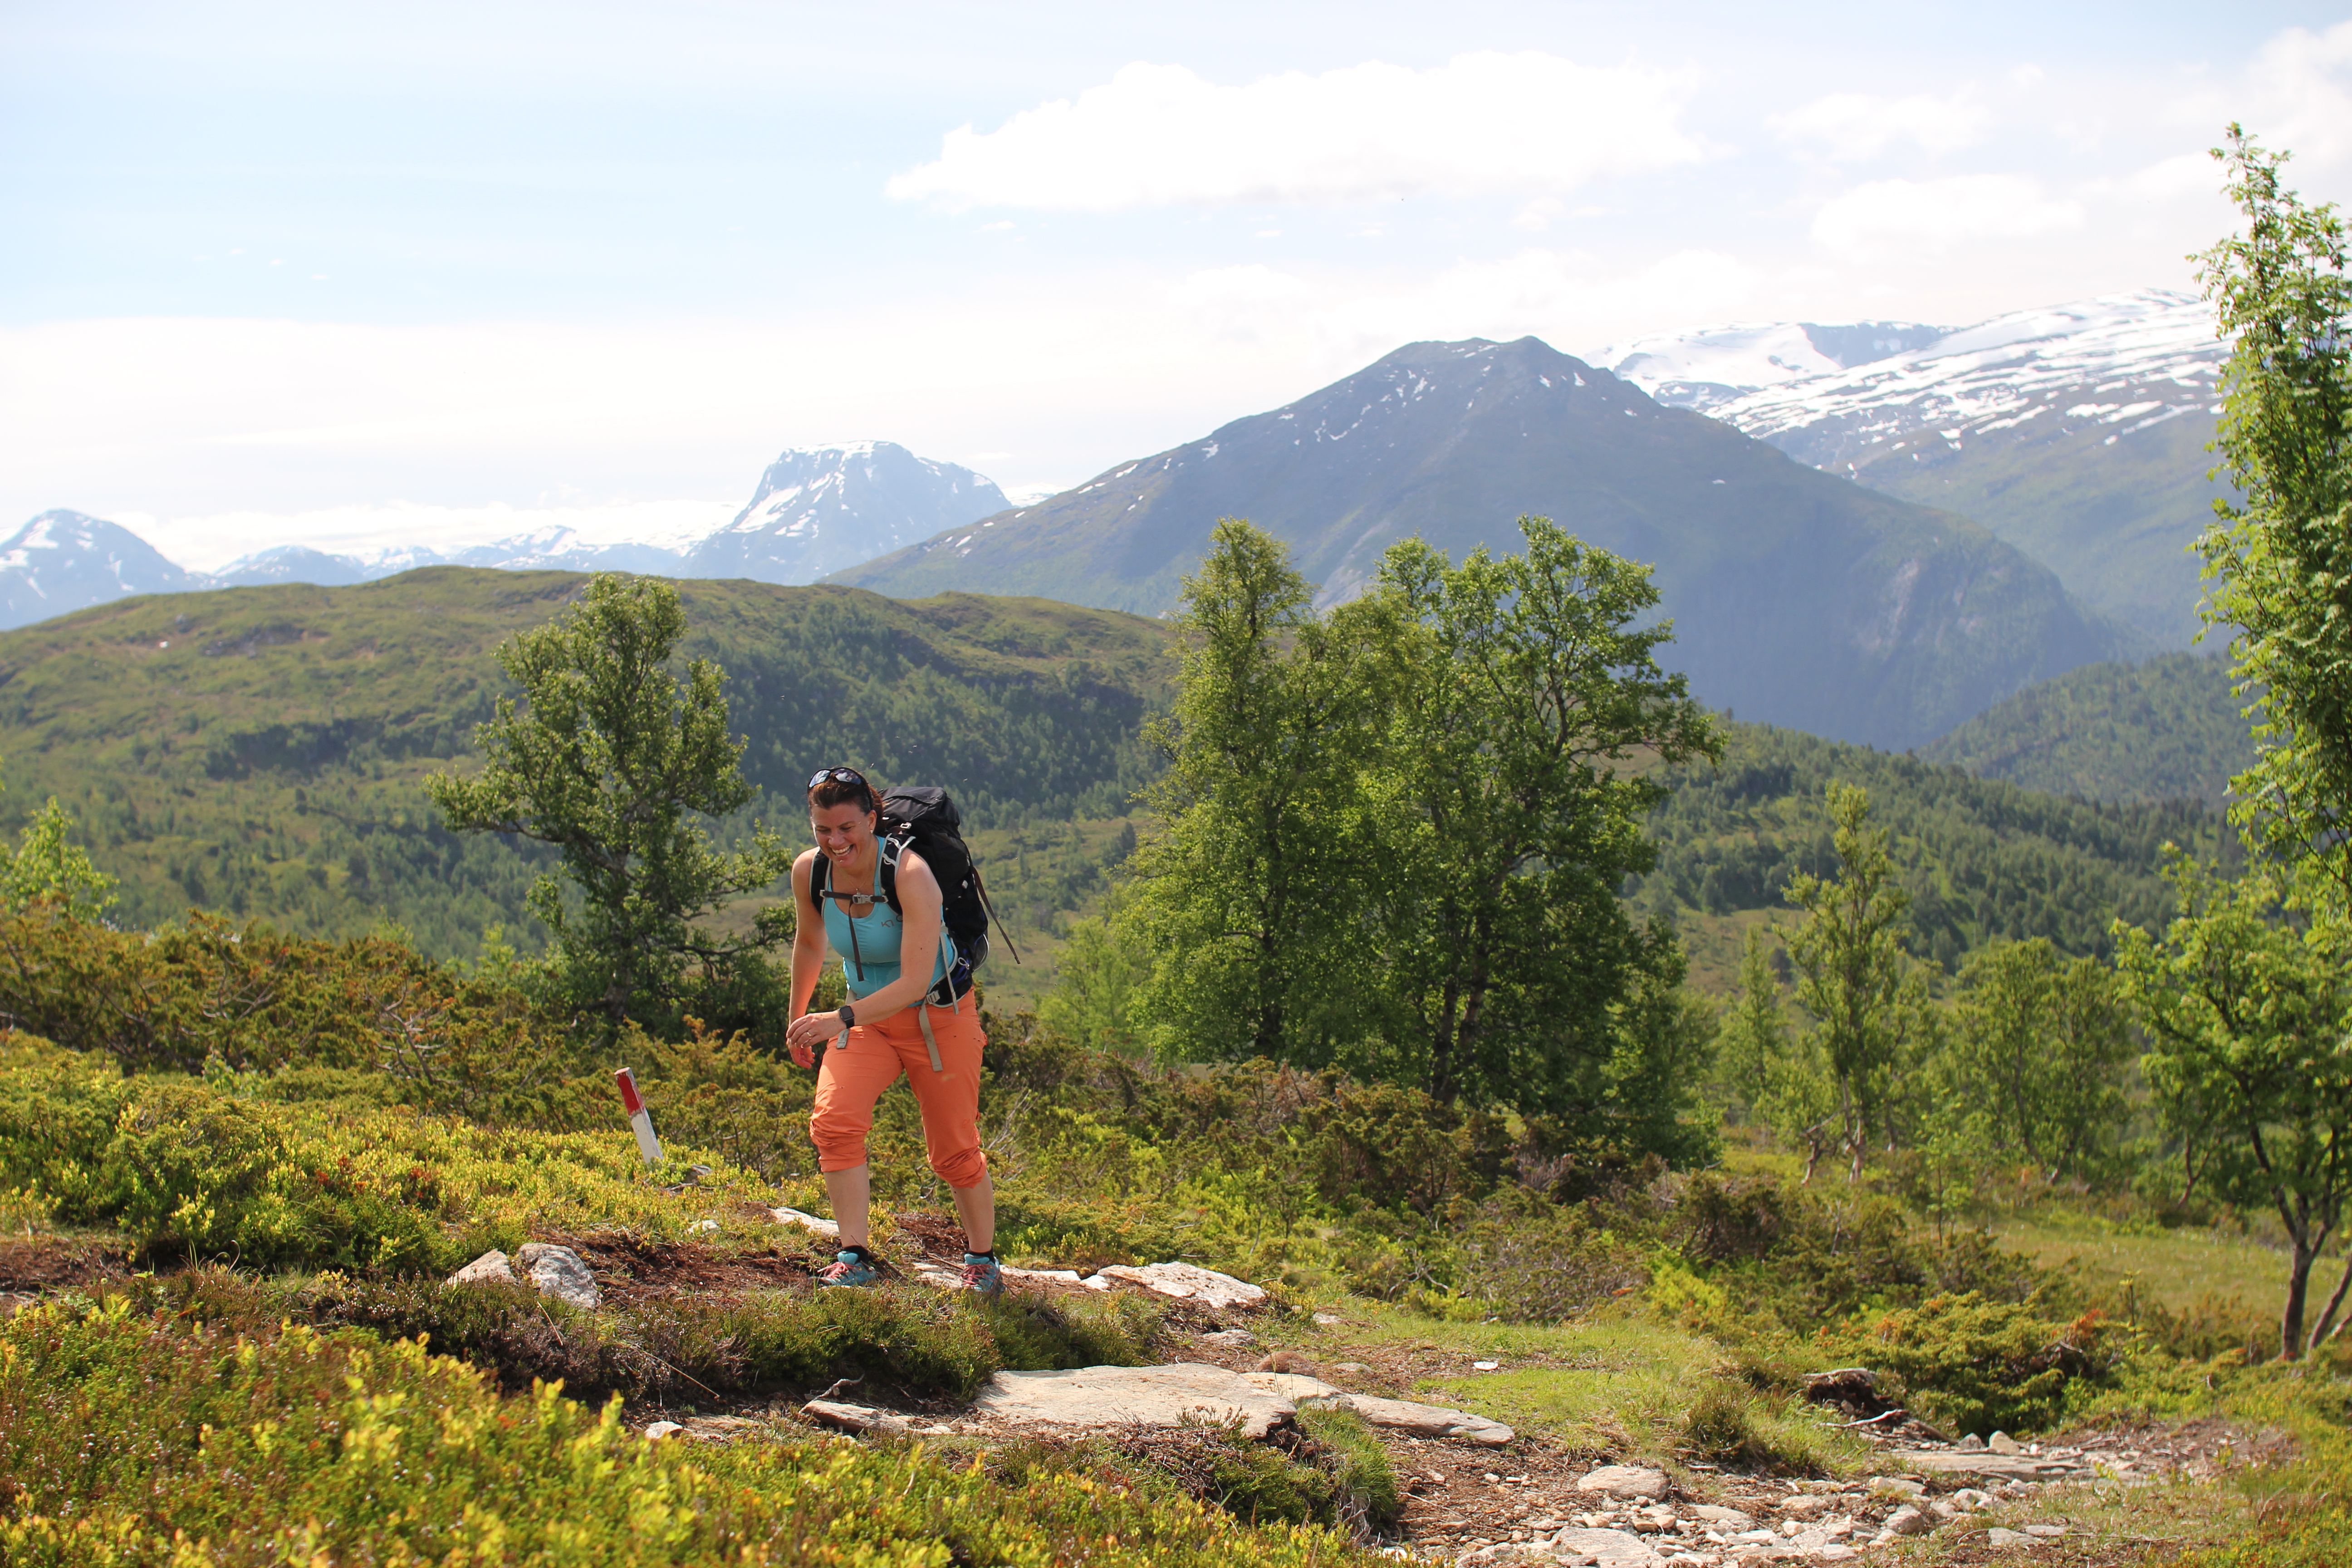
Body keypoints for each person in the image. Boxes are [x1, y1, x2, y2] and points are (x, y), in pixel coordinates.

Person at [784, 765, 1000, 1294]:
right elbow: (810, 944)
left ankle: (982, 1263)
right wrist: (797, 1021)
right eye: (822, 830)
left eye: (847, 829)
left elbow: (911, 982)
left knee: (953, 1150)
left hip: (937, 1017)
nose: (835, 842)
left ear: (872, 820)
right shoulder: (810, 872)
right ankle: (853, 1255)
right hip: (865, 1019)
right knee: (834, 1125)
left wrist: (834, 1020)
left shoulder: (909, 874)